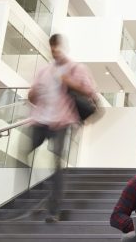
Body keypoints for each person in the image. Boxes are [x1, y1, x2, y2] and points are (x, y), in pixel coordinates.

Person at [27, 33, 96, 223]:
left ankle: (53, 210)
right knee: (25, 151)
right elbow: (32, 97)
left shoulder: (75, 68)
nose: (55, 50)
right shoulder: (43, 71)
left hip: (62, 121)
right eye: (52, 47)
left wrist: (68, 81)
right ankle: (36, 195)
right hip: (40, 120)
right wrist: (33, 93)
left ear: (63, 47)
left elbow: (90, 91)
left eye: (58, 46)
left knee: (56, 164)